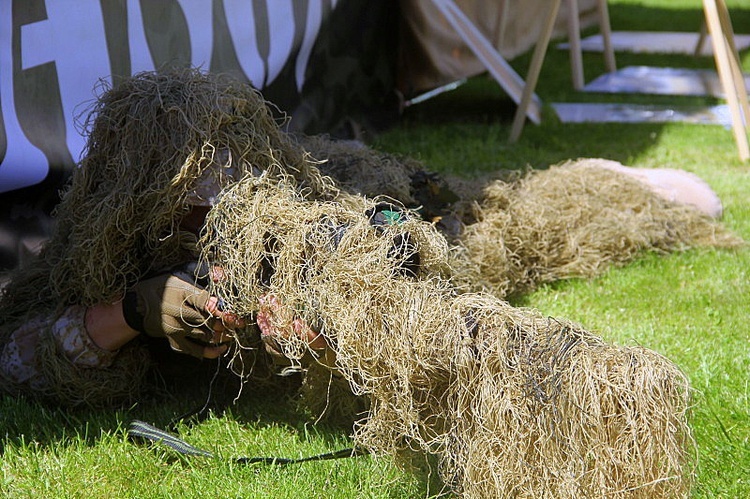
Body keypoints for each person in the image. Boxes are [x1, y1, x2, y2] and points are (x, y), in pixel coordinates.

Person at [0, 69, 330, 407]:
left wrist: (317, 344)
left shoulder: (293, 229)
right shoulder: (102, 250)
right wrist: (137, 309)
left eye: (232, 209)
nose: (213, 230)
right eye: (194, 213)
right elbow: (18, 361)